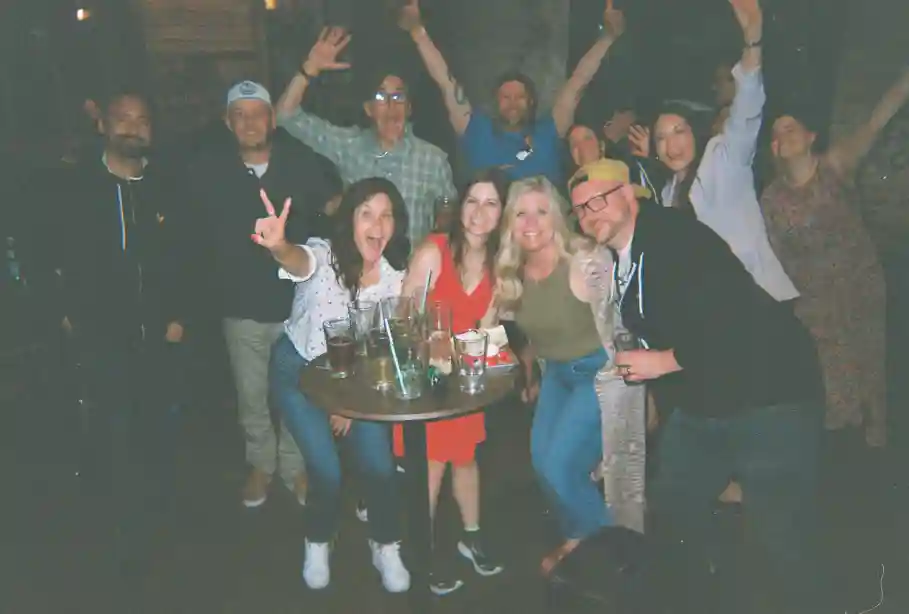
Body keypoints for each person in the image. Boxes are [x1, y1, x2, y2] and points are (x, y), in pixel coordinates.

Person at [569, 158, 827, 614]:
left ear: (630, 196)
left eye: (599, 201)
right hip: (705, 398)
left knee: (778, 535)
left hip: (771, 393)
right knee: (675, 504)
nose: (591, 215)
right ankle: (701, 589)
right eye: (581, 210)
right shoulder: (624, 255)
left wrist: (662, 362)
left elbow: (731, 320)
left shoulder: (674, 237)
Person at [56, 88, 191, 585]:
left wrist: (180, 317)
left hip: (158, 338)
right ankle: (124, 543)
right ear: (104, 126)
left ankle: (158, 526)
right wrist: (67, 313)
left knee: (156, 431)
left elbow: (185, 255)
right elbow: (48, 253)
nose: (133, 127)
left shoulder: (165, 188)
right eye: (123, 119)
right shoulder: (75, 186)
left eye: (142, 119)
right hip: (101, 338)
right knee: (115, 435)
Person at [190, 80, 341, 508]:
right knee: (251, 393)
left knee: (295, 392)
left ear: (273, 119)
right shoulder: (209, 168)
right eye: (241, 113)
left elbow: (331, 208)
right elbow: (192, 233)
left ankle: (295, 467)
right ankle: (261, 463)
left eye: (259, 113)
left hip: (296, 308)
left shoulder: (299, 162)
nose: (251, 122)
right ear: (227, 121)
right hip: (239, 307)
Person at [263, 178, 411, 593]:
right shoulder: (325, 255)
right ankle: (317, 540)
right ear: (349, 220)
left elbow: (382, 347)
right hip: (300, 372)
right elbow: (298, 261)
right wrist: (278, 246)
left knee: (381, 467)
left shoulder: (395, 276)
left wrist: (346, 403)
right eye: (367, 213)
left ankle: (385, 543)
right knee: (326, 470)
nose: (377, 225)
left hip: (356, 378)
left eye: (387, 215)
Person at [761, 67, 909, 449]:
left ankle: (877, 445)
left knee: (868, 365)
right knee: (831, 381)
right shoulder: (771, 198)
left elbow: (876, 121)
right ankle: (841, 453)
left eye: (790, 128)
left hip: (858, 284)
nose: (781, 137)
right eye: (776, 134)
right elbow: (774, 253)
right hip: (813, 301)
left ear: (811, 137)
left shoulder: (835, 166)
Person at [634, 0, 797, 303]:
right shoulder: (670, 191)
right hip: (712, 305)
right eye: (661, 138)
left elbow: (746, 108)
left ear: (695, 133)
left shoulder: (721, 158)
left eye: (679, 131)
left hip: (755, 300)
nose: (672, 145)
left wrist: (753, 41)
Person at [394, 168, 509, 594]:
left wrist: (473, 357)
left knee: (465, 458)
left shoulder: (500, 264)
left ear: (502, 212)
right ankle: (419, 554)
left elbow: (488, 327)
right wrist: (432, 345)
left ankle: (472, 536)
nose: (480, 212)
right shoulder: (433, 251)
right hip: (428, 377)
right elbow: (402, 316)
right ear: (460, 207)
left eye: (491, 202)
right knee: (432, 464)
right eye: (472, 201)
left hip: (465, 379)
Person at [493, 177, 612, 574]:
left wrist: (640, 398)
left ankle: (605, 550)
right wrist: (526, 372)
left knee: (561, 466)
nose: (530, 222)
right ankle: (579, 533)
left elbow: (628, 327)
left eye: (541, 212)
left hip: (599, 372)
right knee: (542, 462)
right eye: (520, 212)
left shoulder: (584, 259)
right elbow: (511, 332)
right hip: (557, 374)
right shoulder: (512, 271)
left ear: (557, 217)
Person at [401, 0, 626, 185]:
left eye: (520, 97)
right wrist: (417, 33)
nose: (513, 103)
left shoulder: (549, 131)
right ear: (495, 102)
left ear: (531, 102)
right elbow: (445, 81)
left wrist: (607, 39)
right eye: (506, 97)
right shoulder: (475, 129)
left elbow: (578, 81)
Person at [276, 27, 457, 248]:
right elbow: (284, 115)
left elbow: (448, 214)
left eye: (398, 96)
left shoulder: (433, 159)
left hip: (414, 276)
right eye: (381, 96)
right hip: (360, 275)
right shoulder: (349, 145)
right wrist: (308, 69)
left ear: (409, 107)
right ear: (368, 108)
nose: (391, 105)